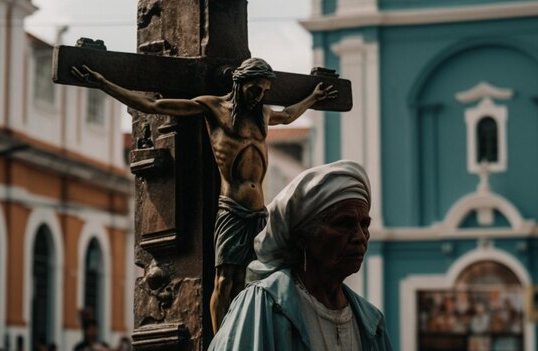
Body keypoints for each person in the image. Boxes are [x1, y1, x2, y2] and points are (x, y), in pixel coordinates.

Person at [72, 57, 338, 332]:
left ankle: (246, 336)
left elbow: (290, 114)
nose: (259, 96)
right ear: (239, 83)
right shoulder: (214, 107)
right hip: (233, 208)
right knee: (225, 279)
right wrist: (104, 84)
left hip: (259, 212)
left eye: (264, 91)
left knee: (254, 280)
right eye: (254, 89)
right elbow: (154, 105)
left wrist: (312, 97)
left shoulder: (263, 114)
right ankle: (222, 341)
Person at [209, 160, 392, 350]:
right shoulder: (263, 305)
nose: (360, 237)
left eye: (364, 225)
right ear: (303, 237)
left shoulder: (372, 323)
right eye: (344, 223)